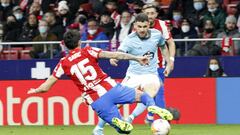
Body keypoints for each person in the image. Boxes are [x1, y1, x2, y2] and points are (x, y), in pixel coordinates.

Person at [27, 29, 173, 134]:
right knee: (142, 96)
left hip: (96, 100)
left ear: (64, 44)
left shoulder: (62, 63)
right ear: (80, 42)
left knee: (124, 130)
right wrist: (137, 58)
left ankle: (117, 121)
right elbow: (115, 54)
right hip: (111, 88)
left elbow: (47, 86)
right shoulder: (88, 51)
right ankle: (151, 106)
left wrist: (36, 90)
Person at [93, 13, 172, 135]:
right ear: (135, 25)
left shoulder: (157, 34)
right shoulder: (130, 39)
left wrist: (168, 63)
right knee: (116, 103)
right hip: (133, 75)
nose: (142, 29)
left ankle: (133, 116)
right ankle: (98, 128)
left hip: (151, 74)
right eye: (139, 26)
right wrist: (114, 58)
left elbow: (163, 47)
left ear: (148, 25)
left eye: (144, 26)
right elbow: (120, 51)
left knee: (148, 96)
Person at [141, 4, 176, 124]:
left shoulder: (162, 25)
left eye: (152, 13)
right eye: (147, 13)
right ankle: (153, 117)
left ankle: (158, 118)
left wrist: (170, 61)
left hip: (159, 65)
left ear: (156, 14)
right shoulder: (138, 26)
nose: (150, 16)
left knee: (158, 89)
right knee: (152, 91)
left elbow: (170, 43)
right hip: (143, 67)